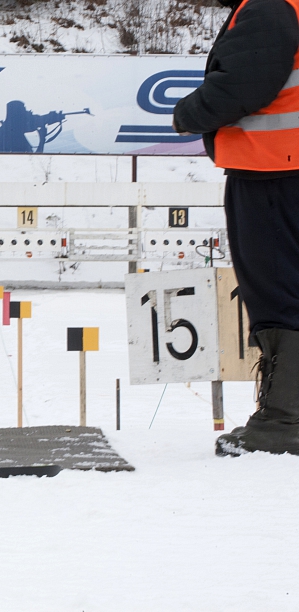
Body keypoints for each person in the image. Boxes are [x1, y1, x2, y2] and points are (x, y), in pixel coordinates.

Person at [173, 0, 299, 456]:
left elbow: (245, 83)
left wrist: (188, 114)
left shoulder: (270, 7)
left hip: (274, 171)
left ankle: (286, 420)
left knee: (278, 291)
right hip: (284, 167)